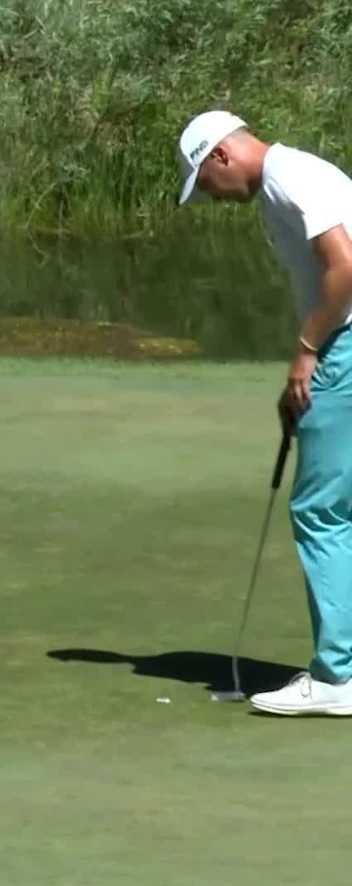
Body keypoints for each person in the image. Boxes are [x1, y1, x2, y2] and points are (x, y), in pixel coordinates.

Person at [178, 111, 352, 714]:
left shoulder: (287, 178)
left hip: (346, 344)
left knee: (321, 510)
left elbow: (345, 265)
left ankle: (338, 677)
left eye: (204, 181)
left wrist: (306, 352)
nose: (210, 195)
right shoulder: (296, 173)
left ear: (221, 156)